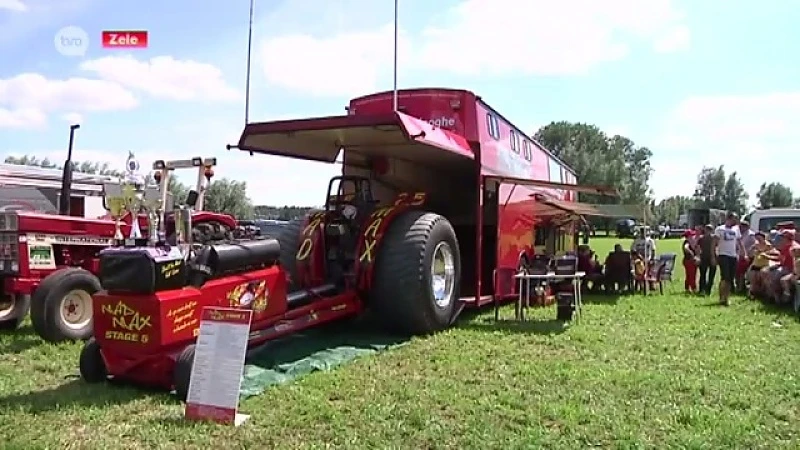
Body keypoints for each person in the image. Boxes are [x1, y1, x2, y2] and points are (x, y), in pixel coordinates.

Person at [713, 212, 744, 306]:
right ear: (729, 219)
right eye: (735, 219)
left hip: (733, 256)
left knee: (730, 278)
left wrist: (744, 253)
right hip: (723, 255)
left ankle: (726, 297)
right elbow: (714, 243)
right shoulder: (720, 229)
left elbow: (739, 241)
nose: (736, 221)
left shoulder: (736, 229)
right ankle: (722, 297)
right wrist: (713, 256)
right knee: (725, 277)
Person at [697, 224, 717, 296]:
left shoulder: (702, 238)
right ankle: (705, 289)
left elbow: (698, 248)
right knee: (706, 275)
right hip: (707, 257)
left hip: (707, 257)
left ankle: (704, 289)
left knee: (705, 275)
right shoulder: (712, 238)